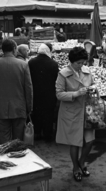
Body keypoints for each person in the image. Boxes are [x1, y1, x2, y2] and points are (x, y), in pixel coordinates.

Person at [56, 47, 95, 182]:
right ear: (71, 61)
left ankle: (81, 162)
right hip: (71, 113)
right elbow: (59, 94)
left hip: (87, 112)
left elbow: (94, 85)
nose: (81, 65)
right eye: (78, 63)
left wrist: (93, 89)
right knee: (75, 143)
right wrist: (76, 94)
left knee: (89, 141)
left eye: (83, 62)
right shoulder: (63, 74)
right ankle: (75, 168)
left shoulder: (87, 71)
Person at [0, 39, 33, 144]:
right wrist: (29, 107)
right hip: (19, 107)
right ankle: (16, 159)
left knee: (3, 139)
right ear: (14, 49)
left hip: (1, 108)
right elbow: (28, 88)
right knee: (18, 140)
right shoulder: (23, 65)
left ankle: (3, 158)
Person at [28, 43, 59, 141]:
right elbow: (56, 79)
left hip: (35, 93)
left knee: (36, 113)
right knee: (48, 114)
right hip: (49, 93)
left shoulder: (31, 62)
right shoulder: (53, 63)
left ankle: (37, 133)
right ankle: (47, 135)